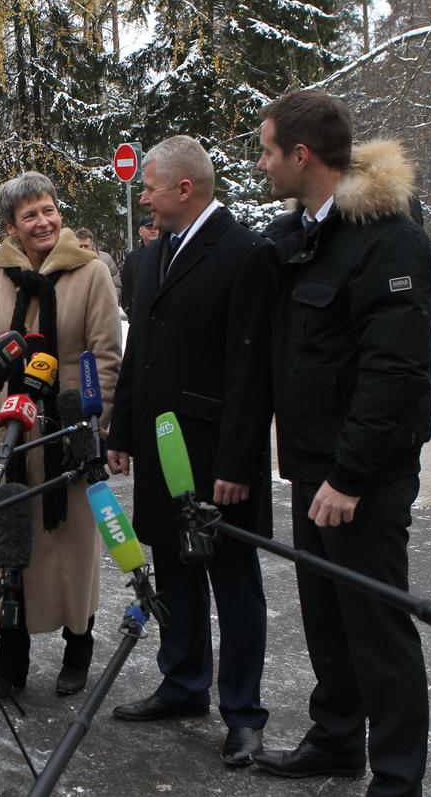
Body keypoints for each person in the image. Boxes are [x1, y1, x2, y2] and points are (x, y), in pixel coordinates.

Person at [251, 90, 431, 797]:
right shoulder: (305, 233)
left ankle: (396, 775)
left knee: (378, 626)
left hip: (364, 478)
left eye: (268, 150)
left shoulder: (389, 240)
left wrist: (351, 476)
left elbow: (395, 373)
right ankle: (335, 738)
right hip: (311, 467)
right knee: (326, 616)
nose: (263, 164)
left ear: (302, 155)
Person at [105, 136, 277, 766]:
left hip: (217, 455)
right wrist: (121, 432)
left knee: (233, 580)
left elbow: (251, 370)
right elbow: (139, 354)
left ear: (184, 189)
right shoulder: (150, 257)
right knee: (173, 570)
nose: (141, 195)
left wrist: (236, 463)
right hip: (158, 447)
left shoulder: (245, 253)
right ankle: (183, 684)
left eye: (148, 186)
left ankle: (243, 712)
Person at [0, 171, 122, 703]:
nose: (44, 222)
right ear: (11, 225)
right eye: (30, 214)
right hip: (7, 441)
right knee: (9, 547)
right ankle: (11, 663)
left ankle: (79, 647)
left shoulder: (91, 272)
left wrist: (90, 427)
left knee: (71, 551)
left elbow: (106, 357)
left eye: (50, 210)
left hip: (66, 439)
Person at [119, 215, 159, 317]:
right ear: (141, 232)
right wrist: (129, 309)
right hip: (138, 314)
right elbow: (126, 286)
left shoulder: (166, 253)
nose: (153, 231)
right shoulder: (131, 258)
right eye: (149, 228)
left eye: (155, 228)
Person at [74, 228, 123, 300]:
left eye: (86, 246)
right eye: (80, 246)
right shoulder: (67, 262)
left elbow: (116, 286)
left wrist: (108, 301)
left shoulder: (105, 260)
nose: (83, 249)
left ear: (92, 245)